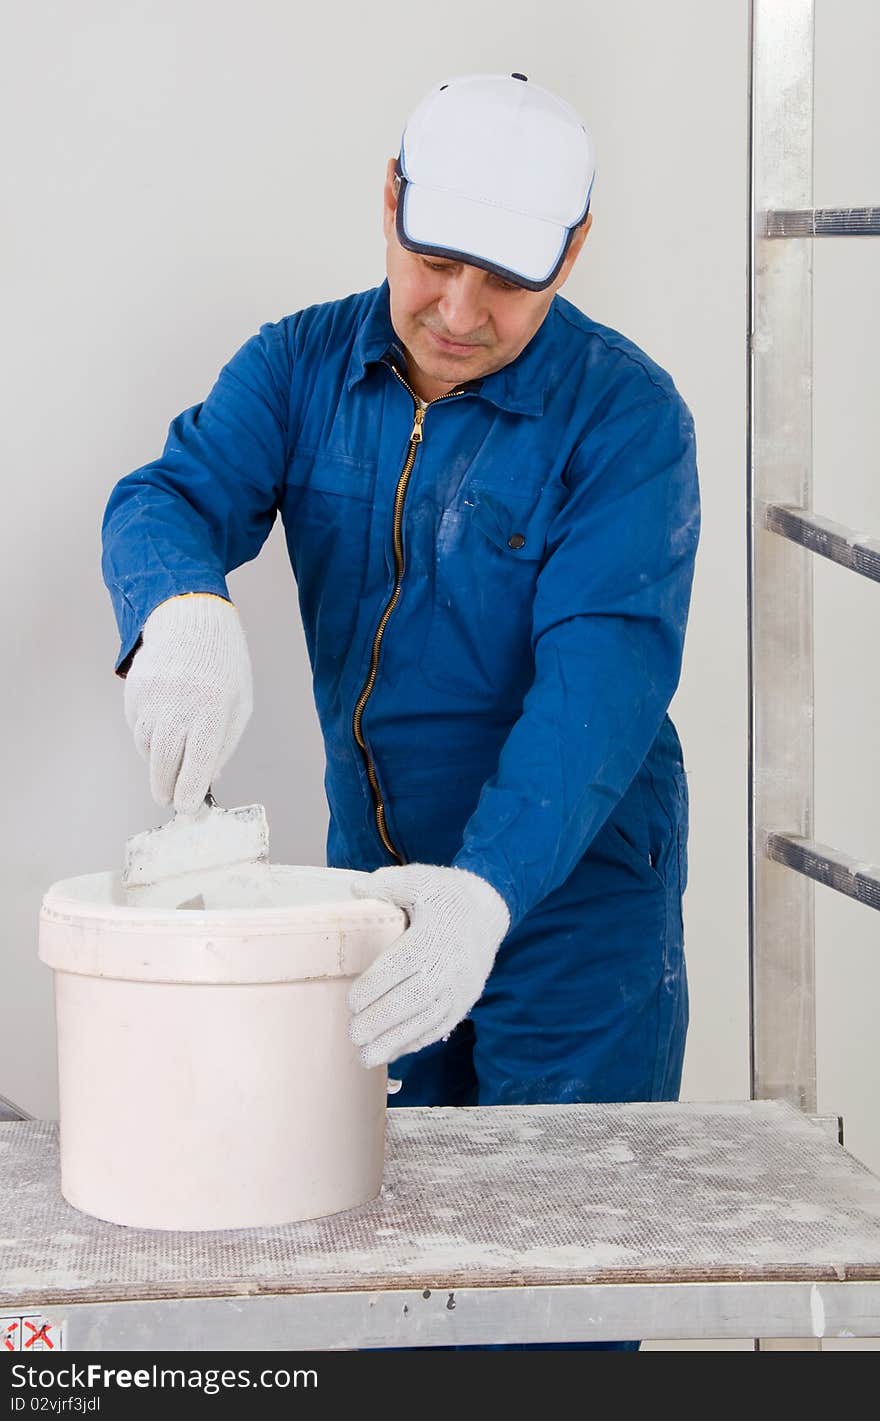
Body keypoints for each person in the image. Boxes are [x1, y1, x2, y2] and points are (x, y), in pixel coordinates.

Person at [102, 73, 700, 1350]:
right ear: (389, 199)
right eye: (433, 263)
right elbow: (168, 497)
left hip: (574, 903)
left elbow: (598, 687)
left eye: (510, 284)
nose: (462, 314)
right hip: (370, 901)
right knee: (386, 1257)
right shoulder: (299, 365)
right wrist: (179, 609)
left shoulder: (627, 421)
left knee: (555, 1286)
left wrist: (486, 891)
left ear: (575, 252)